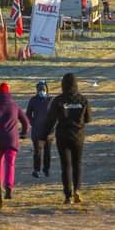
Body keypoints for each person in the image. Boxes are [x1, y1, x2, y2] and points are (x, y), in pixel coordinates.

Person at [43, 73, 91, 204]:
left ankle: (67, 196)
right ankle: (77, 190)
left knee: (66, 166)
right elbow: (88, 119)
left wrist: (45, 134)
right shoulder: (83, 100)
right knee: (77, 164)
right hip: (78, 136)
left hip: (62, 136)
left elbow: (50, 119)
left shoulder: (58, 100)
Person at [0, 82, 29, 199]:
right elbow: (26, 122)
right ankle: (8, 187)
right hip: (12, 140)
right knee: (10, 164)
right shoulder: (14, 106)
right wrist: (23, 133)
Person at [26, 81, 54, 179]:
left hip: (49, 131)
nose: (42, 91)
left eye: (43, 89)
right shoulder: (33, 100)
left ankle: (46, 169)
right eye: (40, 90)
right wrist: (33, 123)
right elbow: (28, 114)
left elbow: (56, 114)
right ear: (37, 90)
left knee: (47, 151)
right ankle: (36, 170)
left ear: (47, 90)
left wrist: (52, 125)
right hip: (37, 131)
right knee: (37, 151)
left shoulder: (51, 100)